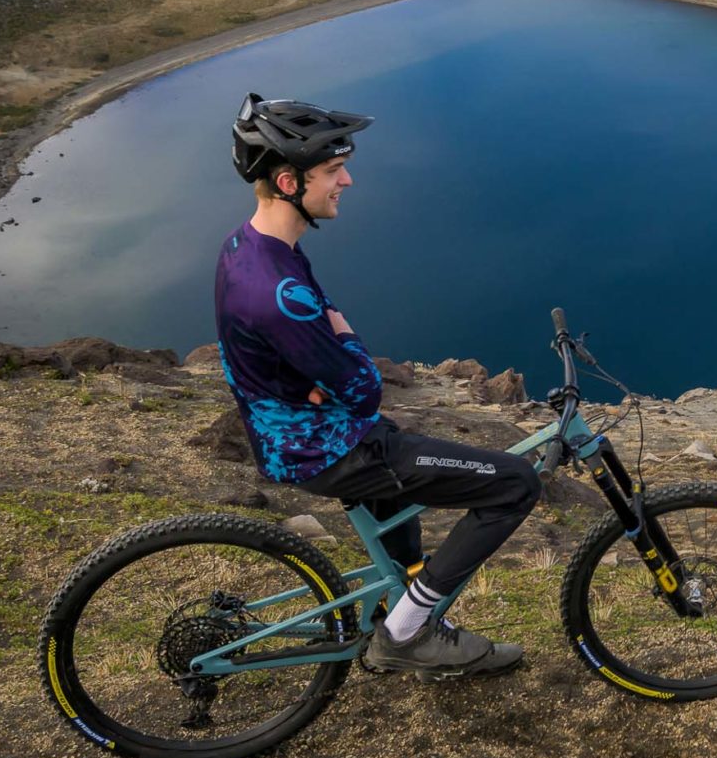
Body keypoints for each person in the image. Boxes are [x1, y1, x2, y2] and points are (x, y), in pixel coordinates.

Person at [216, 93, 541, 679]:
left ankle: (407, 606)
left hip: (298, 431)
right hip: (330, 447)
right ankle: (406, 635)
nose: (348, 179)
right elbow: (364, 388)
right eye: (332, 170)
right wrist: (344, 348)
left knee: (403, 493)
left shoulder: (251, 246)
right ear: (288, 181)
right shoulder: (279, 291)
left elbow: (323, 342)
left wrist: (326, 361)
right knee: (515, 482)